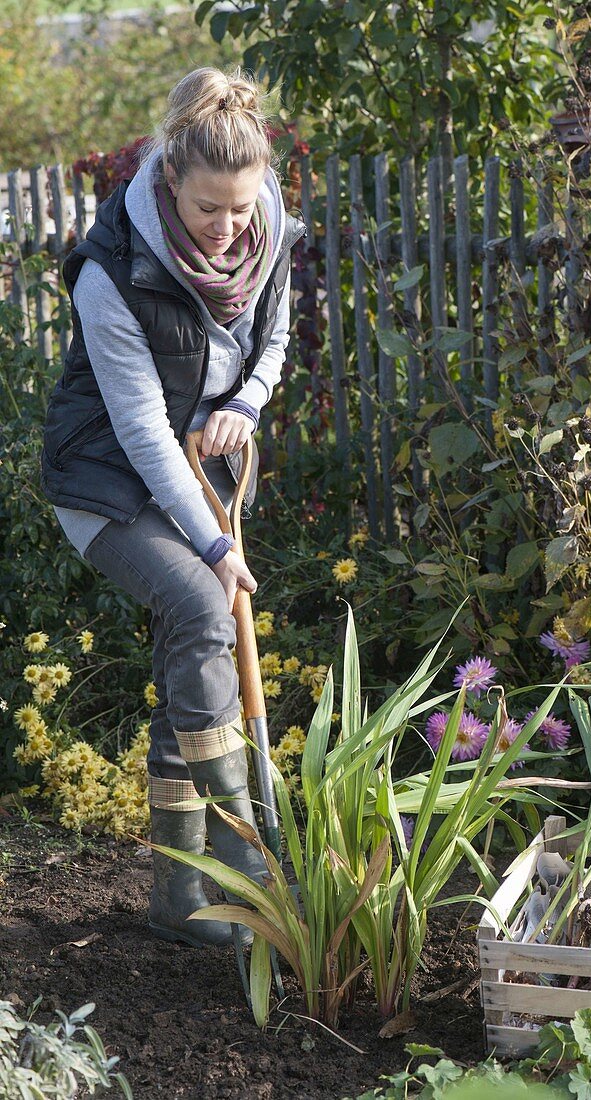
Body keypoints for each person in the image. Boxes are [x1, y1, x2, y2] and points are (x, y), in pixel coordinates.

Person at [41, 67, 304, 947]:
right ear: (168, 183)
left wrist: (246, 405)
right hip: (109, 479)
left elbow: (273, 336)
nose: (229, 230)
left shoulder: (261, 222)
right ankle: (249, 862)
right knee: (200, 603)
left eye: (241, 208)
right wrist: (211, 544)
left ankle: (182, 899)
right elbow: (144, 430)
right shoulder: (110, 270)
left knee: (192, 649)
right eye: (208, 212)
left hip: (209, 467)